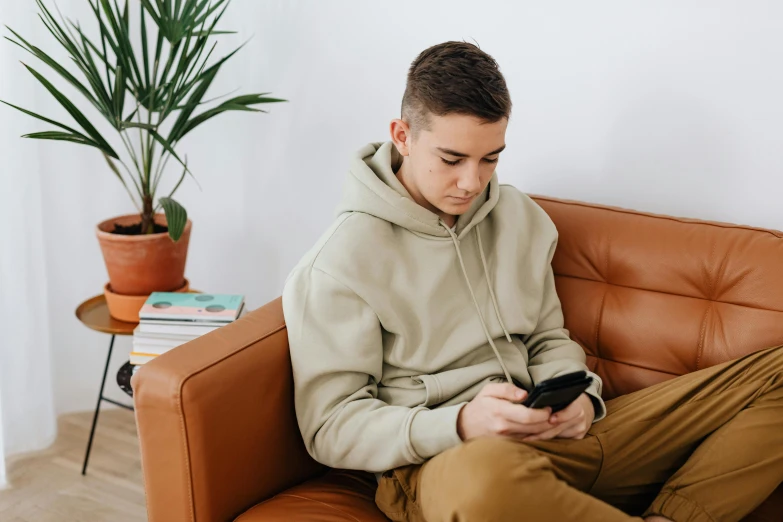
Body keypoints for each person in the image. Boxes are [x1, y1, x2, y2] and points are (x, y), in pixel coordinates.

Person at [282, 41, 783, 522]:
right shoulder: (338, 264)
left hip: (559, 439)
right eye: (452, 159)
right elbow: (330, 427)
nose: (472, 183)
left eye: (491, 158)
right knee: (483, 484)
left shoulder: (519, 217)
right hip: (450, 464)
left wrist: (582, 397)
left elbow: (547, 338)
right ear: (403, 135)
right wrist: (458, 423)